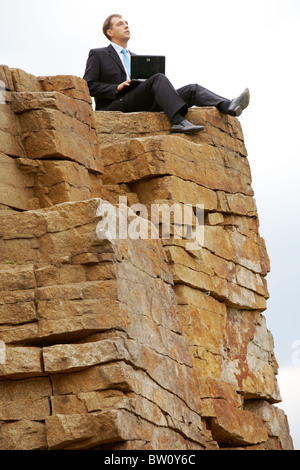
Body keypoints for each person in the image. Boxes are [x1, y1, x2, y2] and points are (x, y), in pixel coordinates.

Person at [83, 14, 250, 134]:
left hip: (142, 100)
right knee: (158, 78)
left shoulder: (135, 58)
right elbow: (88, 86)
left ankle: (228, 105)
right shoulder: (99, 54)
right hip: (116, 104)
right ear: (109, 32)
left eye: (127, 22)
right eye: (120, 24)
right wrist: (116, 88)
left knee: (192, 89)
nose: (126, 25)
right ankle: (178, 121)